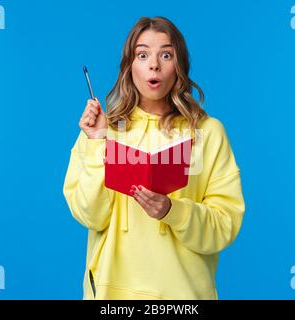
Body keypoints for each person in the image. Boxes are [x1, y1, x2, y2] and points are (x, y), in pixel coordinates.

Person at [63, 16, 245, 300]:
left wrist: (173, 210)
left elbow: (224, 226)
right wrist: (98, 143)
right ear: (130, 65)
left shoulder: (208, 133)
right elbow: (90, 215)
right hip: (113, 295)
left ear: (179, 65)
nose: (154, 64)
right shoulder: (103, 129)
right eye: (143, 54)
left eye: (166, 54)